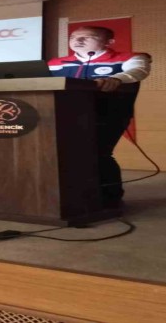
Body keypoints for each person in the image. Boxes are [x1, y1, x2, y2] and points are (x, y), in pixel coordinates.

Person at [48, 26, 151, 207]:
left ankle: (110, 199)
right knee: (64, 156)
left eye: (88, 37)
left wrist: (116, 79)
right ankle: (72, 197)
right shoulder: (56, 63)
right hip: (63, 116)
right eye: (74, 37)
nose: (78, 40)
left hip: (108, 115)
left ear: (109, 42)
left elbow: (136, 72)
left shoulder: (131, 58)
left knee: (98, 154)